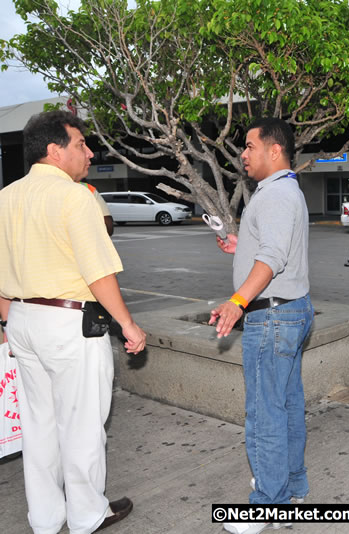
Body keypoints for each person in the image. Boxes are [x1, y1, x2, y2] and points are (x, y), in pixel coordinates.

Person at [0, 110, 146, 533]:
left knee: (39, 426)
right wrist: (128, 325)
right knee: (81, 425)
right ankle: (87, 515)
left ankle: (46, 519)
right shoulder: (75, 196)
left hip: (21, 320)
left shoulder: (5, 197)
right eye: (81, 144)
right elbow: (98, 273)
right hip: (68, 323)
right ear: (54, 150)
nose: (90, 152)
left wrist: (10, 321)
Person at [209, 117, 314, 534]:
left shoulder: (275, 194)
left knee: (265, 414)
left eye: (250, 146)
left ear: (275, 150)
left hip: (271, 316)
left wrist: (237, 301)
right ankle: (292, 487)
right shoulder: (285, 190)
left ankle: (268, 504)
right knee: (286, 406)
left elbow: (272, 257)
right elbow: (273, 246)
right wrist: (242, 246)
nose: (243, 154)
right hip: (290, 310)